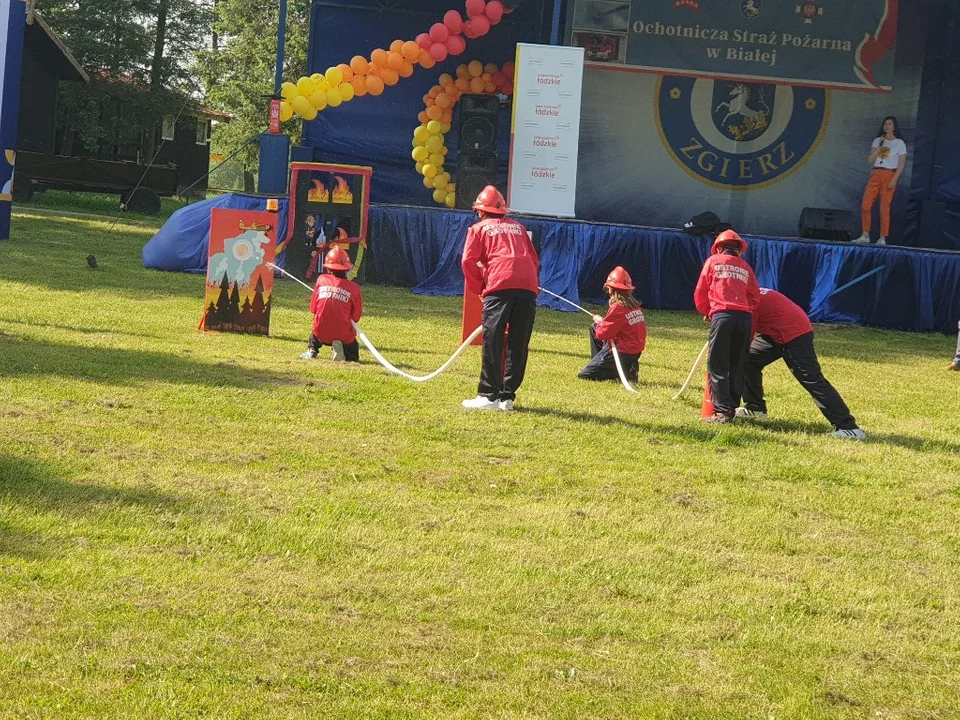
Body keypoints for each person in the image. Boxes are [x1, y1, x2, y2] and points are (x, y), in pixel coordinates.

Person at [737, 288, 866, 439]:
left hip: (794, 333)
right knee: (748, 360)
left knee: (811, 379)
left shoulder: (747, 302)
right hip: (776, 332)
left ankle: (849, 427)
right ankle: (755, 409)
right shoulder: (748, 292)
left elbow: (744, 337)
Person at [461, 185, 539, 411]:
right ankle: (507, 398)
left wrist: (481, 288)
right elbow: (534, 261)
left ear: (481, 211)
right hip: (527, 288)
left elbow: (468, 261)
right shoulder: (519, 228)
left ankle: (487, 395)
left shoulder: (478, 229)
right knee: (518, 343)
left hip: (499, 285)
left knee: (493, 341)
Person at [693, 229, 761, 423]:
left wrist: (708, 312)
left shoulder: (713, 262)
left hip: (723, 316)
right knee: (737, 364)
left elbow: (701, 291)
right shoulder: (746, 267)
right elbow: (755, 297)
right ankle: (731, 407)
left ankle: (722, 412)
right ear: (739, 249)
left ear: (719, 248)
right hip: (745, 319)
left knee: (717, 364)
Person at [578, 266, 646, 382]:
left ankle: (621, 370)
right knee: (594, 327)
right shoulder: (634, 306)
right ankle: (605, 363)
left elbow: (602, 334)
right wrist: (601, 322)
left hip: (623, 352)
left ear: (610, 289)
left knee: (585, 374)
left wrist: (600, 322)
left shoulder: (618, 308)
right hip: (634, 352)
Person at [300, 246, 362, 362]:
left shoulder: (321, 280)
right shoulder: (354, 288)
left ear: (328, 268)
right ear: (347, 269)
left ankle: (312, 350)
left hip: (320, 333)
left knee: (315, 330)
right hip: (343, 335)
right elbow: (356, 317)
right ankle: (343, 351)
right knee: (353, 355)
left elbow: (313, 309)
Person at [855, 115, 907, 246]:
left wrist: (894, 179)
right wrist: (880, 146)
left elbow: (901, 164)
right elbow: (870, 160)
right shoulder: (878, 140)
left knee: (884, 207)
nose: (886, 126)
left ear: (894, 127)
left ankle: (882, 237)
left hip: (889, 174)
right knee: (866, 204)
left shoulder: (899, 143)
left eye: (889, 124)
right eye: (885, 124)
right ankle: (865, 234)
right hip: (876, 173)